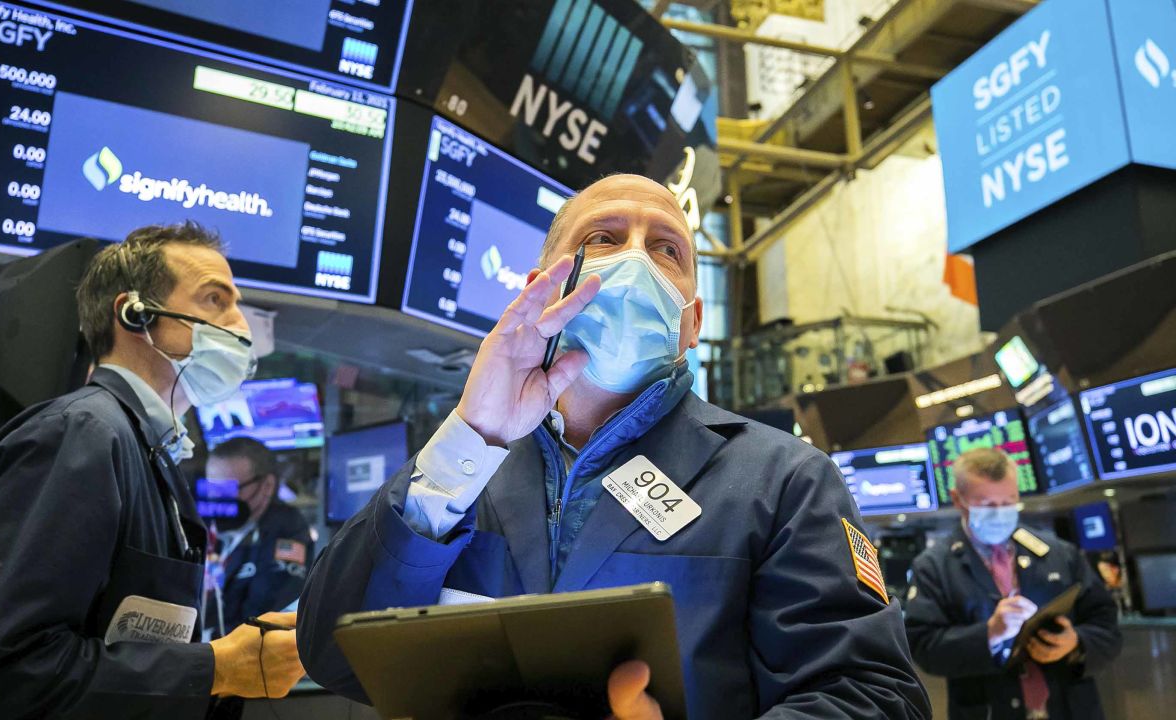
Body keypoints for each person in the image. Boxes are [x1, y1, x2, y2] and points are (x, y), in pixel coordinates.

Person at [297, 174, 930, 718]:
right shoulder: (464, 464)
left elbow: (875, 695)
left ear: (693, 323)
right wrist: (476, 433)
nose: (637, 261)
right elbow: (333, 653)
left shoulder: (782, 479)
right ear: (541, 286)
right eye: (603, 238)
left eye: (666, 249)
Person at [0, 223, 306, 719]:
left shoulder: (149, 449)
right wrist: (214, 668)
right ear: (135, 314)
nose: (240, 325)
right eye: (214, 299)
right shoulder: (81, 435)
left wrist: (225, 676)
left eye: (236, 302)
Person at [905, 447, 1122, 720]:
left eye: (1008, 502)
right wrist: (989, 633)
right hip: (989, 709)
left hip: (1070, 706)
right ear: (958, 500)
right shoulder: (933, 566)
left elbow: (1107, 625)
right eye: (987, 505)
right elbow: (923, 648)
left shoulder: (1058, 553)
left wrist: (1076, 642)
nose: (1000, 513)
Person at [203, 437, 314, 639]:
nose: (218, 500)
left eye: (228, 490)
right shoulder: (211, 530)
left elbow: (265, 617)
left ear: (266, 486)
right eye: (211, 490)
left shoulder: (286, 529)